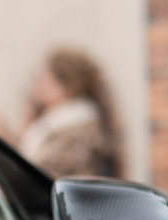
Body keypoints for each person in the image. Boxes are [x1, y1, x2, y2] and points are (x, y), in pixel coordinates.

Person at [15, 47, 121, 179]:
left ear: (64, 86)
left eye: (44, 80)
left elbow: (37, 177)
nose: (37, 87)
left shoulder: (79, 130)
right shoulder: (53, 123)